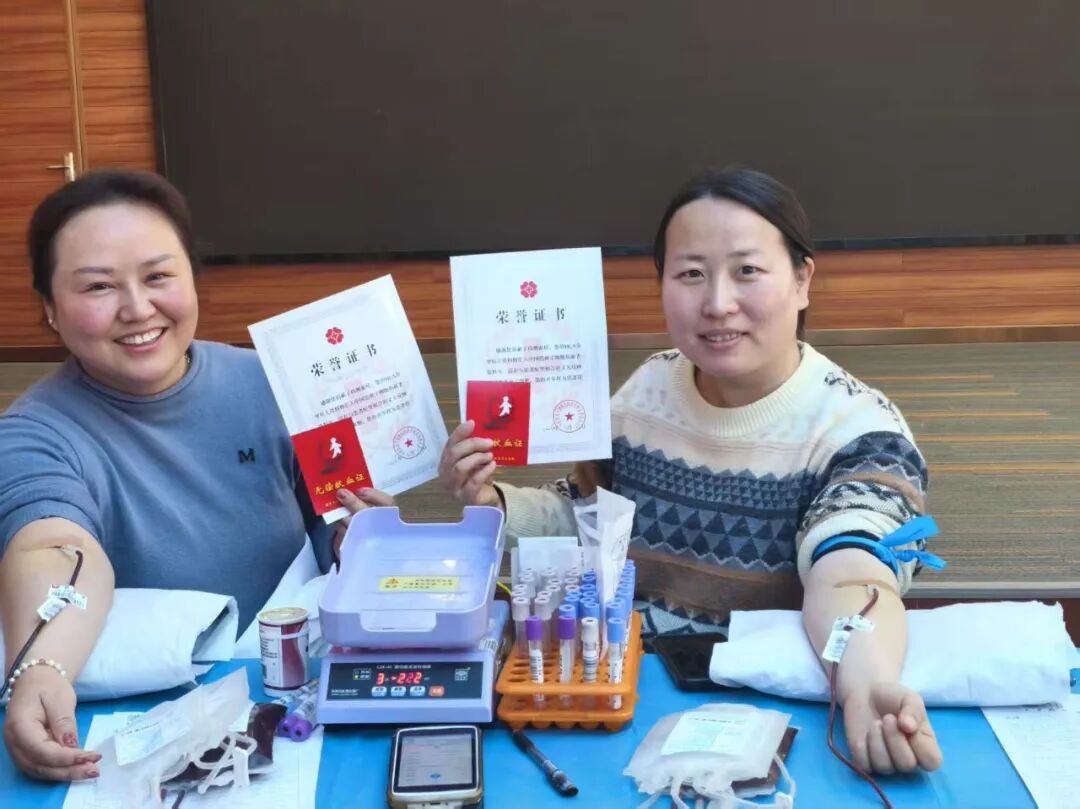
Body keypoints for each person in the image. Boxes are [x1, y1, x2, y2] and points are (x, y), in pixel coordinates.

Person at [439, 167, 944, 775]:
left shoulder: (862, 433)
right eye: (691, 274)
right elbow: (590, 517)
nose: (717, 303)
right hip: (625, 691)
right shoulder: (648, 389)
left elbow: (850, 570)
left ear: (802, 279)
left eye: (747, 270)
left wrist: (864, 683)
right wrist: (492, 503)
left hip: (768, 718)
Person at [0, 170, 386, 782]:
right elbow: (55, 549)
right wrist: (41, 668)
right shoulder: (31, 434)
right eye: (98, 286)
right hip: (138, 732)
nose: (137, 308)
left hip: (297, 696)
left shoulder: (274, 382)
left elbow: (328, 522)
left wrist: (355, 539)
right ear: (49, 307)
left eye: (158, 276)